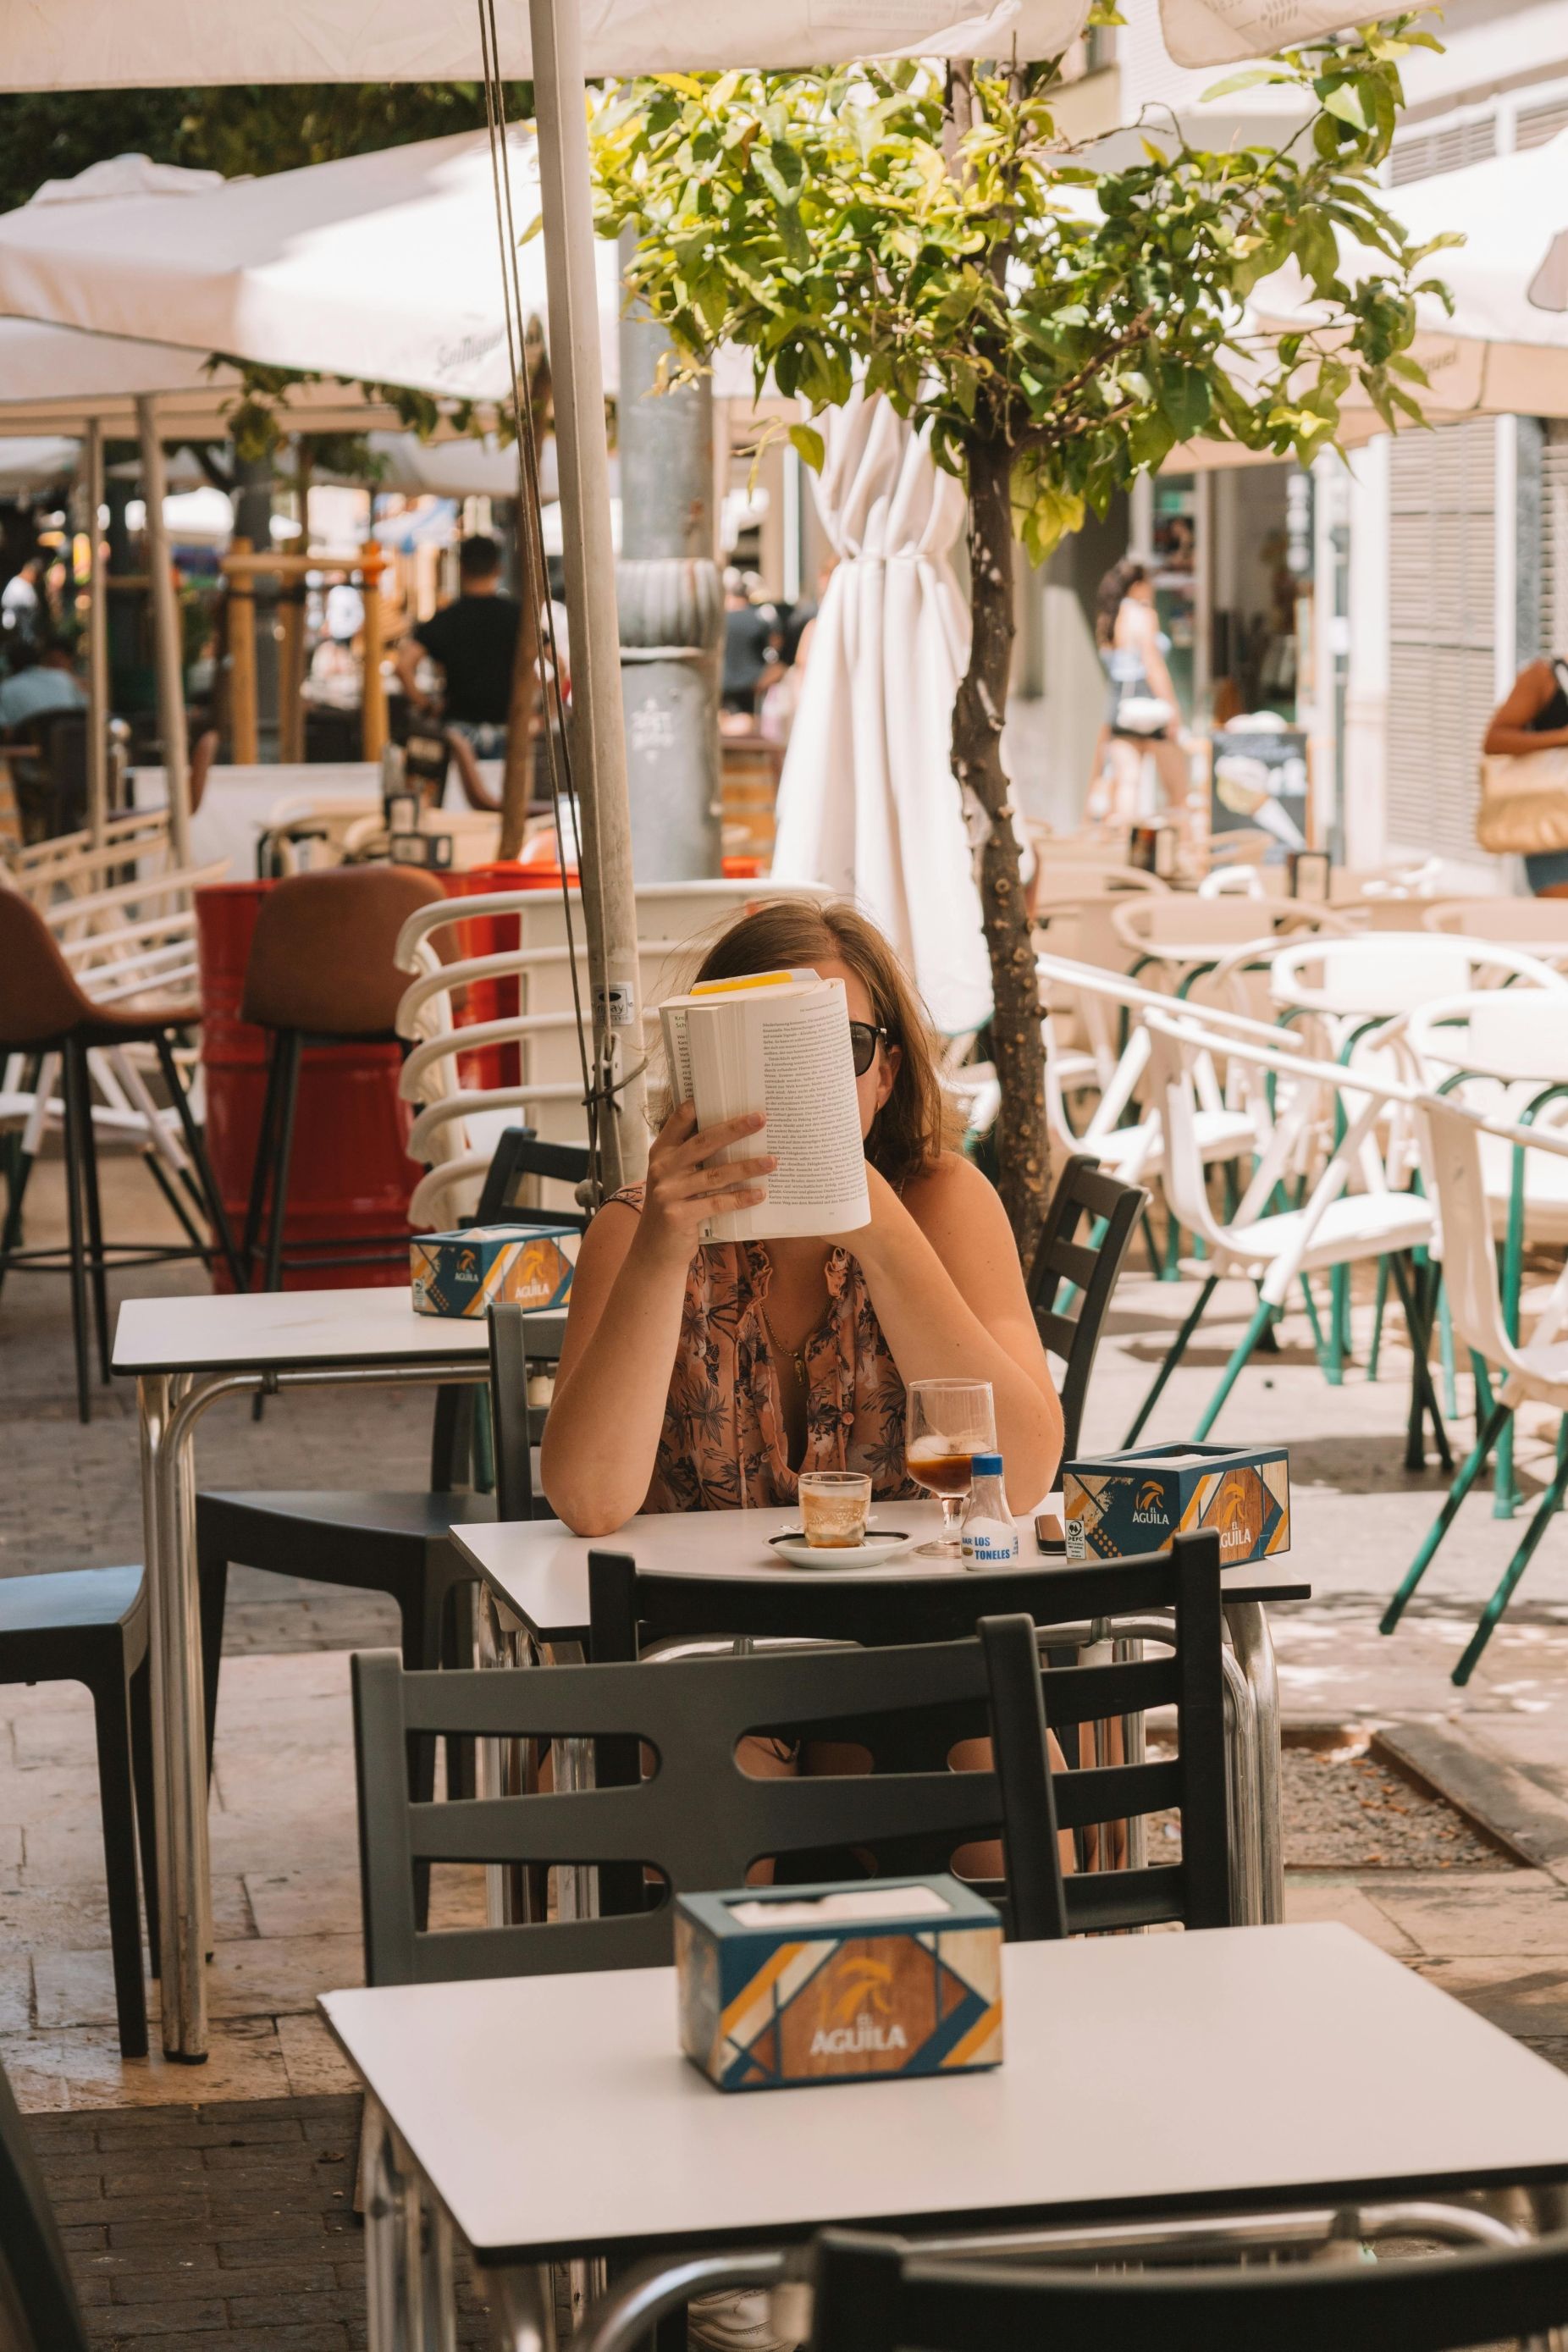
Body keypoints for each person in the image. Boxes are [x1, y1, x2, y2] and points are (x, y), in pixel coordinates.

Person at [542, 897, 1063, 1534]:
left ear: (886, 1078)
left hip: (910, 1619)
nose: (814, 1076)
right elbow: (587, 1504)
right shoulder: (637, 1229)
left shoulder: (944, 1204)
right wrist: (658, 1255)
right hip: (705, 1622)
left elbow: (1026, 1476)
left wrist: (889, 1242)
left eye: (846, 1045)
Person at [395, 533, 520, 759]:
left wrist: (426, 707)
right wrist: (538, 716)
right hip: (509, 729)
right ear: (498, 569)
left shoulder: (445, 619)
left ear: (461, 569)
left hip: (458, 732)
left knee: (457, 792)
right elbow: (558, 667)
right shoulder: (517, 618)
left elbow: (403, 667)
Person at [1088, 556, 1187, 822]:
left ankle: (1124, 845)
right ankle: (1182, 848)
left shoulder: (1108, 620)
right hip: (1148, 703)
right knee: (1177, 785)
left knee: (1128, 781)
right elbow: (1152, 663)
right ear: (1138, 585)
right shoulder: (1142, 615)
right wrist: (1172, 707)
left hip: (1122, 705)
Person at [1484, 657, 1568, 895]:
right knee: (1560, 925)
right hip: (1555, 829)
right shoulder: (1544, 676)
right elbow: (1495, 740)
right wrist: (1561, 737)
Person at [721, 566, 782, 721]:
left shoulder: (720, 622)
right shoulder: (758, 620)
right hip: (753, 684)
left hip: (724, 683)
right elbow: (772, 648)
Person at [0, 637, 86, 732]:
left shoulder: (5, 689)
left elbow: (6, 731)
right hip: (71, 742)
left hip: (32, 744)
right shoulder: (63, 678)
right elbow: (85, 710)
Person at [1, 549, 47, 649]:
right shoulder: (16, 583)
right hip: (15, 629)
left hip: (28, 632)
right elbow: (7, 603)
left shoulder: (28, 586)